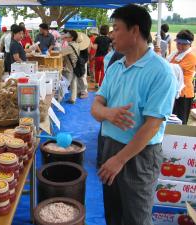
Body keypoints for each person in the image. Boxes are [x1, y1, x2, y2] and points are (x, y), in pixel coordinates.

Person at [91, 4, 177, 225]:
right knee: (113, 213)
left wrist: (119, 160)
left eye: (117, 28)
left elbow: (152, 125)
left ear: (135, 31)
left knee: (136, 217)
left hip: (139, 156)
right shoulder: (116, 67)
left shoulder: (161, 71)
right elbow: (96, 107)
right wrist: (108, 113)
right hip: (109, 145)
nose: (111, 35)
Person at [169, 30, 196, 124]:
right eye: (178, 43)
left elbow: (173, 68)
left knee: (180, 121)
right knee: (171, 120)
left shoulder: (191, 57)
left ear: (190, 44)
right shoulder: (174, 54)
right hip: (173, 92)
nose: (180, 46)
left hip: (184, 93)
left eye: (183, 44)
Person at [61, 30, 80, 104]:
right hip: (75, 66)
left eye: (67, 37)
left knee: (65, 83)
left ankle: (59, 98)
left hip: (70, 68)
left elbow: (61, 52)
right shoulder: (76, 44)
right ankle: (73, 98)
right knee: (73, 82)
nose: (65, 38)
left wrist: (61, 41)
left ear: (71, 38)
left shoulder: (70, 46)